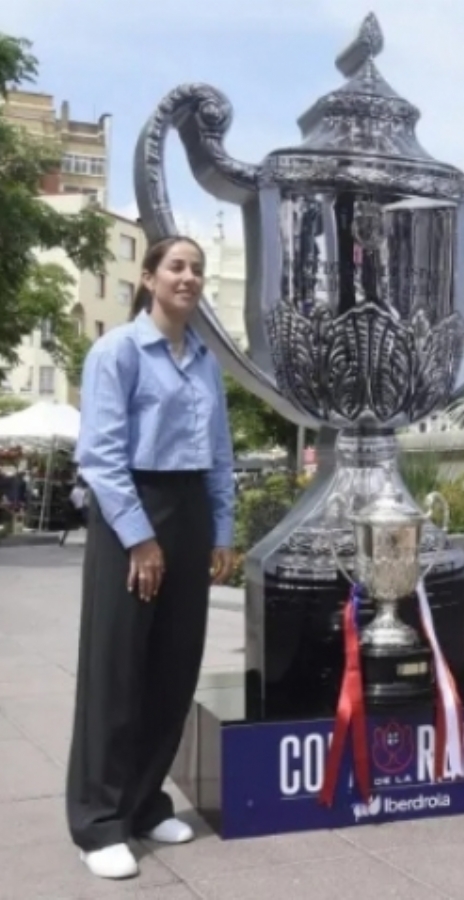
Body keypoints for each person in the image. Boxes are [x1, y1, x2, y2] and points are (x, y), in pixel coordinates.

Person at [66, 235, 236, 880]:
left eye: (197, 269)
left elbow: (219, 456)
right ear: (148, 278)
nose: (188, 277)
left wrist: (221, 531)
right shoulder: (117, 352)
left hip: (190, 510)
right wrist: (140, 538)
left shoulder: (206, 361)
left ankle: (143, 803)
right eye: (176, 266)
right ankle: (99, 821)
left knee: (173, 668)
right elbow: (100, 456)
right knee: (116, 670)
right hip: (130, 513)